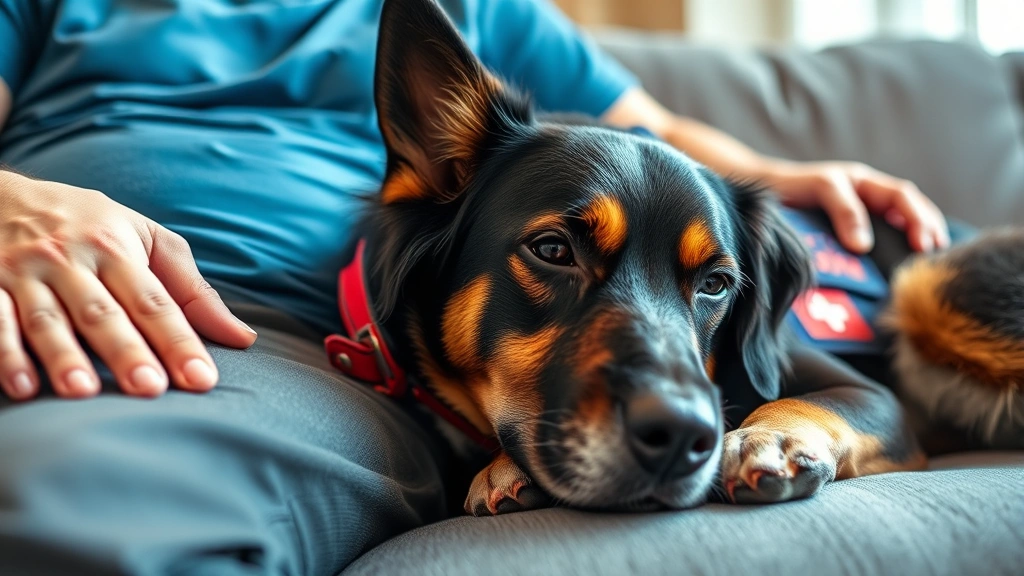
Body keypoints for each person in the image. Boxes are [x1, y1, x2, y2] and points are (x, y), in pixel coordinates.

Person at [0, 0, 949, 573]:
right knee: (92, 501)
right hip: (143, 312)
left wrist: (782, 177)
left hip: (342, 356)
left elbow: (656, 137)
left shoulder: (481, 9)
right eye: (558, 252)